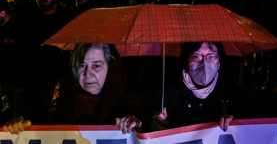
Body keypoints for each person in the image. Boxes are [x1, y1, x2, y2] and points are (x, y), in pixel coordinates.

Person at [2, 43, 142, 134]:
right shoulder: (55, 93)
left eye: (97, 66)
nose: (88, 74)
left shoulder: (126, 101)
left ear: (109, 67)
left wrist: (134, 126)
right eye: (82, 65)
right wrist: (18, 128)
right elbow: (34, 125)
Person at [149, 42, 234, 132]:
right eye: (196, 56)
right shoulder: (167, 91)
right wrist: (160, 122)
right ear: (186, 62)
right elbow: (146, 124)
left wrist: (234, 122)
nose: (204, 62)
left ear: (219, 63)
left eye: (211, 56)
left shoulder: (230, 90)